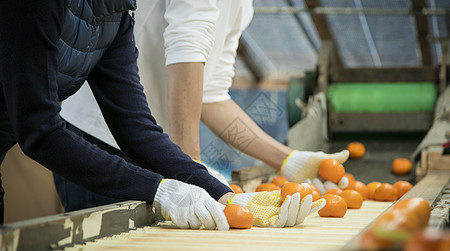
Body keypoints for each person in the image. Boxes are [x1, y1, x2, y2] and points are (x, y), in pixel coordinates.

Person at [0, 0, 322, 230]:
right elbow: (39, 130)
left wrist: (223, 194)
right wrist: (161, 188)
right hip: (82, 135)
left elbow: (137, 128)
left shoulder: (118, 13)